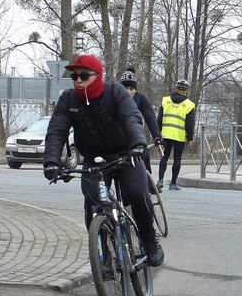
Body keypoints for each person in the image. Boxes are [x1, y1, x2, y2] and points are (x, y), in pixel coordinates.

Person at [42, 54, 163, 267]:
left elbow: (131, 117)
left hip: (125, 154)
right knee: (92, 205)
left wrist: (138, 144)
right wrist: (52, 161)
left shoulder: (115, 92)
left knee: (137, 193)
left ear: (97, 76)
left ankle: (149, 239)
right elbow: (57, 130)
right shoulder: (68, 99)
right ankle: (103, 257)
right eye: (74, 76)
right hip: (94, 159)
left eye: (83, 75)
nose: (78, 80)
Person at [120, 67, 162, 173]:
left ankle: (147, 179)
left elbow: (150, 118)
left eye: (131, 89)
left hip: (135, 133)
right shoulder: (114, 98)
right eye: (125, 88)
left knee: (143, 153)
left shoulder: (141, 99)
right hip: (118, 134)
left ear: (136, 89)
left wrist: (157, 136)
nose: (128, 92)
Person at [157, 79, 196, 191]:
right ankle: (173, 183)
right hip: (179, 136)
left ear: (176, 88)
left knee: (164, 157)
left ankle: (160, 180)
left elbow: (159, 119)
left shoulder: (165, 101)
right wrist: (190, 137)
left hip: (166, 134)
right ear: (186, 90)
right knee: (177, 159)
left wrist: (157, 133)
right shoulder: (189, 105)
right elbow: (190, 124)